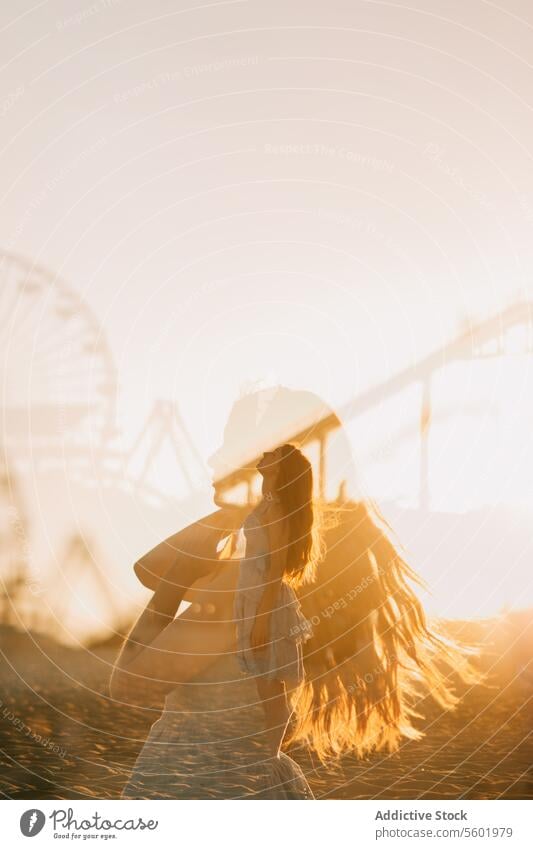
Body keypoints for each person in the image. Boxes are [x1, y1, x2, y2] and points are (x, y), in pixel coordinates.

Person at [110, 385, 481, 798]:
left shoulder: (237, 589)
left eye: (230, 444)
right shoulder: (267, 581)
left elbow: (128, 687)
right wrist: (232, 516)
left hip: (198, 786)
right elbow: (147, 569)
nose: (213, 457)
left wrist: (180, 575)